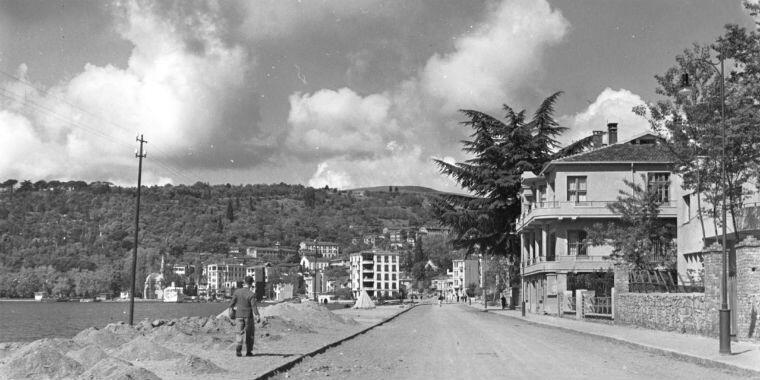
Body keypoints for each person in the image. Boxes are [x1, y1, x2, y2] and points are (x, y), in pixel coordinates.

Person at [229, 276, 261, 357]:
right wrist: (257, 315)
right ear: (251, 283)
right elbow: (254, 306)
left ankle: (238, 351)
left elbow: (231, 304)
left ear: (244, 282)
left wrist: (232, 312)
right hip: (248, 317)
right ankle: (248, 352)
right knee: (249, 334)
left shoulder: (237, 292)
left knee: (239, 333)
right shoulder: (251, 294)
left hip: (238, 315)